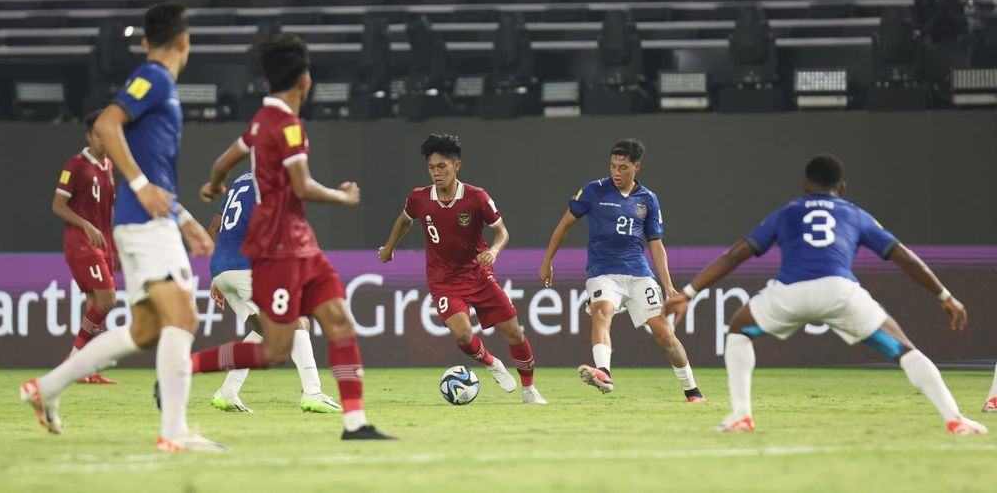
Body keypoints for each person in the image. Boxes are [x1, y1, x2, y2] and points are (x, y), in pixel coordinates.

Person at [20, 1, 225, 451]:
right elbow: (110, 122)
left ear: (149, 40)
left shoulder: (160, 84)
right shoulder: (153, 78)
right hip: (143, 223)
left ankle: (47, 388)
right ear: (185, 42)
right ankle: (174, 432)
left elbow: (156, 174)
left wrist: (185, 219)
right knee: (184, 316)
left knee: (145, 330)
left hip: (149, 221)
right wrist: (137, 184)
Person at [664, 154, 987, 435]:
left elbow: (737, 253)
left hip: (790, 292)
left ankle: (741, 415)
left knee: (738, 329)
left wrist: (691, 291)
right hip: (840, 292)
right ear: (841, 188)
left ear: (805, 185)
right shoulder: (855, 214)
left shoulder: (787, 212)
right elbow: (904, 256)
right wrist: (944, 295)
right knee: (906, 350)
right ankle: (955, 420)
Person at [192, 33, 394, 440]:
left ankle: (354, 422)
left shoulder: (258, 122)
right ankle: (191, 369)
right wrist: (343, 195)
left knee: (332, 319)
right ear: (304, 81)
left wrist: (214, 185)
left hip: (284, 249)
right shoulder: (288, 126)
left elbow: (221, 163)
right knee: (287, 335)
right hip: (276, 250)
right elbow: (301, 186)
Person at [378, 133, 547, 404]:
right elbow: (405, 220)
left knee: (514, 333)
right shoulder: (419, 198)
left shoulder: (477, 197)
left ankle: (529, 389)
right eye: (432, 168)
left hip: (478, 275)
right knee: (463, 333)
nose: (436, 173)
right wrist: (389, 248)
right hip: (443, 279)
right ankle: (492, 363)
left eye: (442, 167)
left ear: (457, 166)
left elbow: (502, 232)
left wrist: (492, 251)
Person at [540, 139, 704, 402]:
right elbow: (563, 225)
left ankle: (692, 390)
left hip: (639, 274)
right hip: (603, 271)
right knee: (601, 312)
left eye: (623, 167)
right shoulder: (594, 191)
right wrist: (547, 261)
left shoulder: (648, 199)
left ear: (637, 167)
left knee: (665, 334)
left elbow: (656, 244)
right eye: (613, 166)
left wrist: (668, 285)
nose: (616, 172)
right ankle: (603, 372)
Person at [206, 170, 342, 414]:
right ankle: (313, 393)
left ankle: (227, 391)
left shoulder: (241, 180)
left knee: (265, 330)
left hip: (222, 269)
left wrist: (218, 276)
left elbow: (215, 227)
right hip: (248, 267)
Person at [52, 111, 119, 384]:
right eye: (98, 135)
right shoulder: (76, 165)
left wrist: (114, 243)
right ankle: (74, 359)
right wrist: (87, 226)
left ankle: (86, 370)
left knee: (95, 304)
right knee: (108, 300)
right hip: (81, 243)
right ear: (89, 136)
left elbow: (108, 210)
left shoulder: (108, 166)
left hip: (103, 244)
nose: (103, 141)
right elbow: (57, 205)